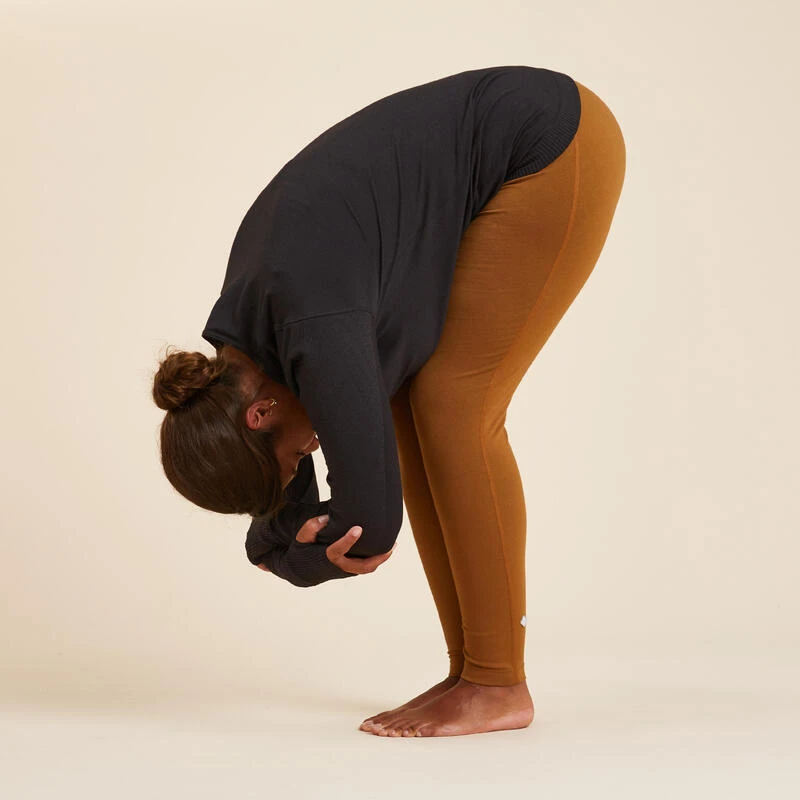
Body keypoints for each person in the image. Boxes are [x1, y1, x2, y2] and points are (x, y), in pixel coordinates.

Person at [152, 65, 626, 737]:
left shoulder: (309, 320)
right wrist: (278, 536)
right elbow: (312, 485)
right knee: (412, 409)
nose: (312, 453)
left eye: (297, 459)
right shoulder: (249, 343)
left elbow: (371, 525)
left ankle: (496, 684)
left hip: (549, 143)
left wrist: (299, 554)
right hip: (503, 155)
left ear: (259, 414)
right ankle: (471, 672)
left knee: (454, 408)